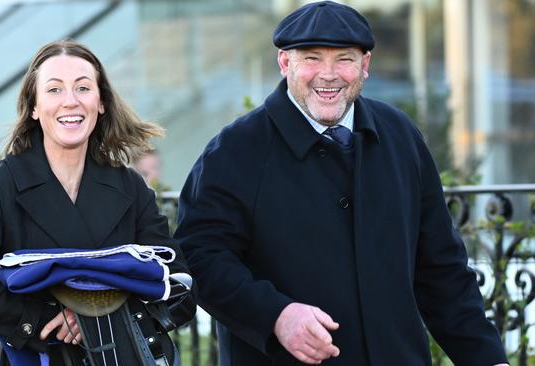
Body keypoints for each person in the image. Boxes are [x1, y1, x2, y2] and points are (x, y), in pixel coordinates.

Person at [174, 2, 507, 365]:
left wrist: (488, 358)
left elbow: (441, 269)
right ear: (285, 64)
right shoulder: (234, 150)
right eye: (312, 59)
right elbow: (199, 258)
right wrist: (276, 316)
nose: (328, 75)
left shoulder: (401, 135)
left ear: (365, 66)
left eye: (344, 59)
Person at [0, 39, 194, 366]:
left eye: (83, 88)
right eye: (54, 90)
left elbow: (179, 284)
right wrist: (45, 319)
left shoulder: (130, 186)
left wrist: (98, 317)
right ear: (33, 106)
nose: (70, 102)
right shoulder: (0, 185)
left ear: (101, 102)